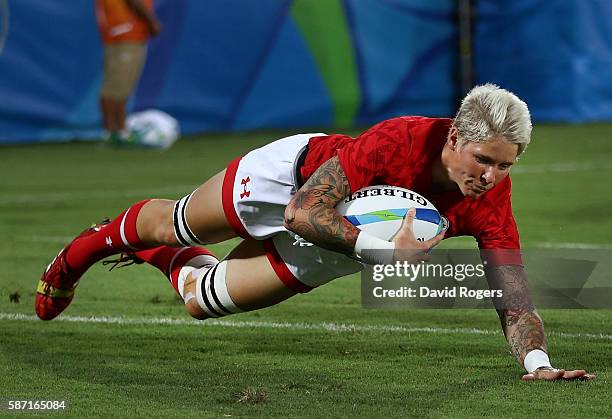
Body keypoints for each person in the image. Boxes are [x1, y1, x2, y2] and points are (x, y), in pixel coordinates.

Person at [36, 84, 594, 381]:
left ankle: (162, 257)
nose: (491, 177)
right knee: (176, 219)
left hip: (345, 248)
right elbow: (301, 214)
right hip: (292, 181)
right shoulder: (400, 139)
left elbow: (513, 295)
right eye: (484, 160)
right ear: (453, 137)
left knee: (201, 302)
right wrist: (384, 250)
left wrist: (537, 363)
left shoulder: (491, 199)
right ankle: (81, 252)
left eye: (506, 166)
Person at [95, 0, 161, 143]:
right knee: (119, 85)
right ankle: (117, 132)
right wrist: (151, 21)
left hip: (119, 33)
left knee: (117, 85)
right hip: (126, 33)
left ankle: (115, 131)